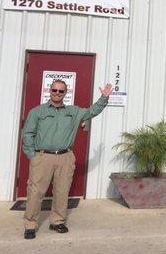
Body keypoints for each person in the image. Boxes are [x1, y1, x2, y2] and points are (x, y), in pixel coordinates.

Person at [21, 79, 112, 239]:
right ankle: (30, 224)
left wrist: (103, 98)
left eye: (61, 91)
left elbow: (92, 111)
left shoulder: (73, 111)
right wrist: (32, 156)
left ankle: (57, 221)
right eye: (54, 90)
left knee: (62, 191)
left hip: (65, 157)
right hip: (43, 157)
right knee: (35, 192)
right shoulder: (37, 112)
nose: (57, 93)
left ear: (65, 93)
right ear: (50, 91)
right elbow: (28, 133)